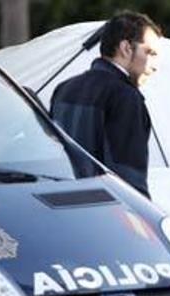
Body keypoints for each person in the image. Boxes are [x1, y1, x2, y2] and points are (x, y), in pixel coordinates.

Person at [50, 11, 162, 198]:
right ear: (126, 47)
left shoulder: (64, 89)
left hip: (61, 206)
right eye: (150, 52)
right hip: (104, 213)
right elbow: (129, 182)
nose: (155, 65)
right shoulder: (126, 97)